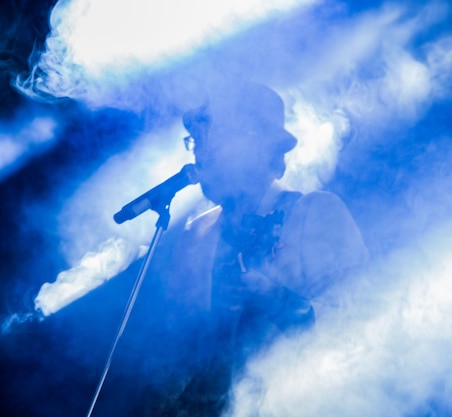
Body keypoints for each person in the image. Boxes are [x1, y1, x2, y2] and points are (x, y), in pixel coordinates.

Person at [154, 81, 369, 416]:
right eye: (196, 142)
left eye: (211, 139)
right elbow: (175, 349)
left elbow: (357, 328)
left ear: (252, 146)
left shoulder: (314, 213)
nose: (199, 153)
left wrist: (278, 301)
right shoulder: (196, 234)